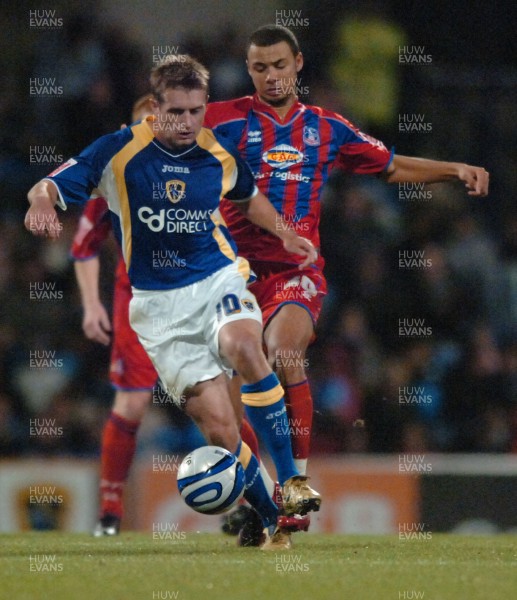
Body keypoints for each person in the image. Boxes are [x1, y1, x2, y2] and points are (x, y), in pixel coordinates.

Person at [25, 55, 321, 550]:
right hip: (159, 310)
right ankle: (274, 520)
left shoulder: (216, 150)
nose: (188, 123)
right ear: (155, 108)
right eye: (177, 112)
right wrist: (40, 198)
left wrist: (285, 234)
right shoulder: (117, 152)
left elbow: (248, 197)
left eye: (196, 111)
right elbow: (53, 183)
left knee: (246, 347)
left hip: (217, 280)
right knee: (222, 432)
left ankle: (291, 480)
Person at [204, 24, 489, 478]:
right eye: (260, 68)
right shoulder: (219, 118)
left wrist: (454, 169)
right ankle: (253, 489)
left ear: (298, 64)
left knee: (283, 352)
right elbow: (154, 131)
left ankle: (293, 485)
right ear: (248, 71)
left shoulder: (327, 127)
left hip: (294, 271)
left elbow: (391, 167)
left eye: (280, 65)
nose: (271, 76)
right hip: (229, 275)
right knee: (233, 391)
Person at [72, 96, 271, 537]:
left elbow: (233, 207)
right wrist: (91, 304)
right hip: (143, 304)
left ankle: (255, 502)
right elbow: (83, 246)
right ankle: (109, 511)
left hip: (202, 296)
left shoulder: (197, 166)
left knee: (226, 417)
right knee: (134, 401)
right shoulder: (117, 172)